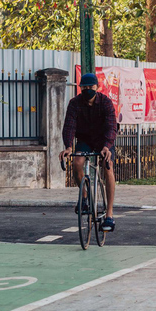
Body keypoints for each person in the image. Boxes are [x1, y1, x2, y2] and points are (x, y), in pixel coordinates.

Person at [60, 73, 118, 231]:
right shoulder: (74, 103)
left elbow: (111, 126)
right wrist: (68, 146)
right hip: (84, 139)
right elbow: (69, 126)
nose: (87, 90)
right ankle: (84, 196)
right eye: (84, 87)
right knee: (77, 162)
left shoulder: (105, 103)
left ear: (97, 87)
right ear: (80, 88)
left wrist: (107, 146)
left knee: (108, 166)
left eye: (90, 87)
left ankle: (110, 215)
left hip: (103, 140)